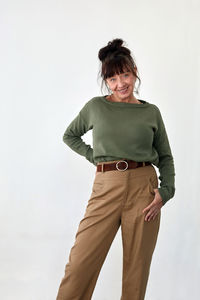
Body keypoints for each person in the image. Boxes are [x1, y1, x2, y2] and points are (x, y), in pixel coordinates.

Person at [56, 38, 176, 300]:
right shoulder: (96, 107)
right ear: (106, 81)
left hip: (144, 190)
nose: (120, 83)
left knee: (137, 271)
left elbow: (165, 156)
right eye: (112, 79)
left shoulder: (151, 112)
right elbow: (70, 136)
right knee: (80, 264)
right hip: (106, 186)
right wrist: (96, 158)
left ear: (134, 72)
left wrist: (165, 192)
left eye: (125, 75)